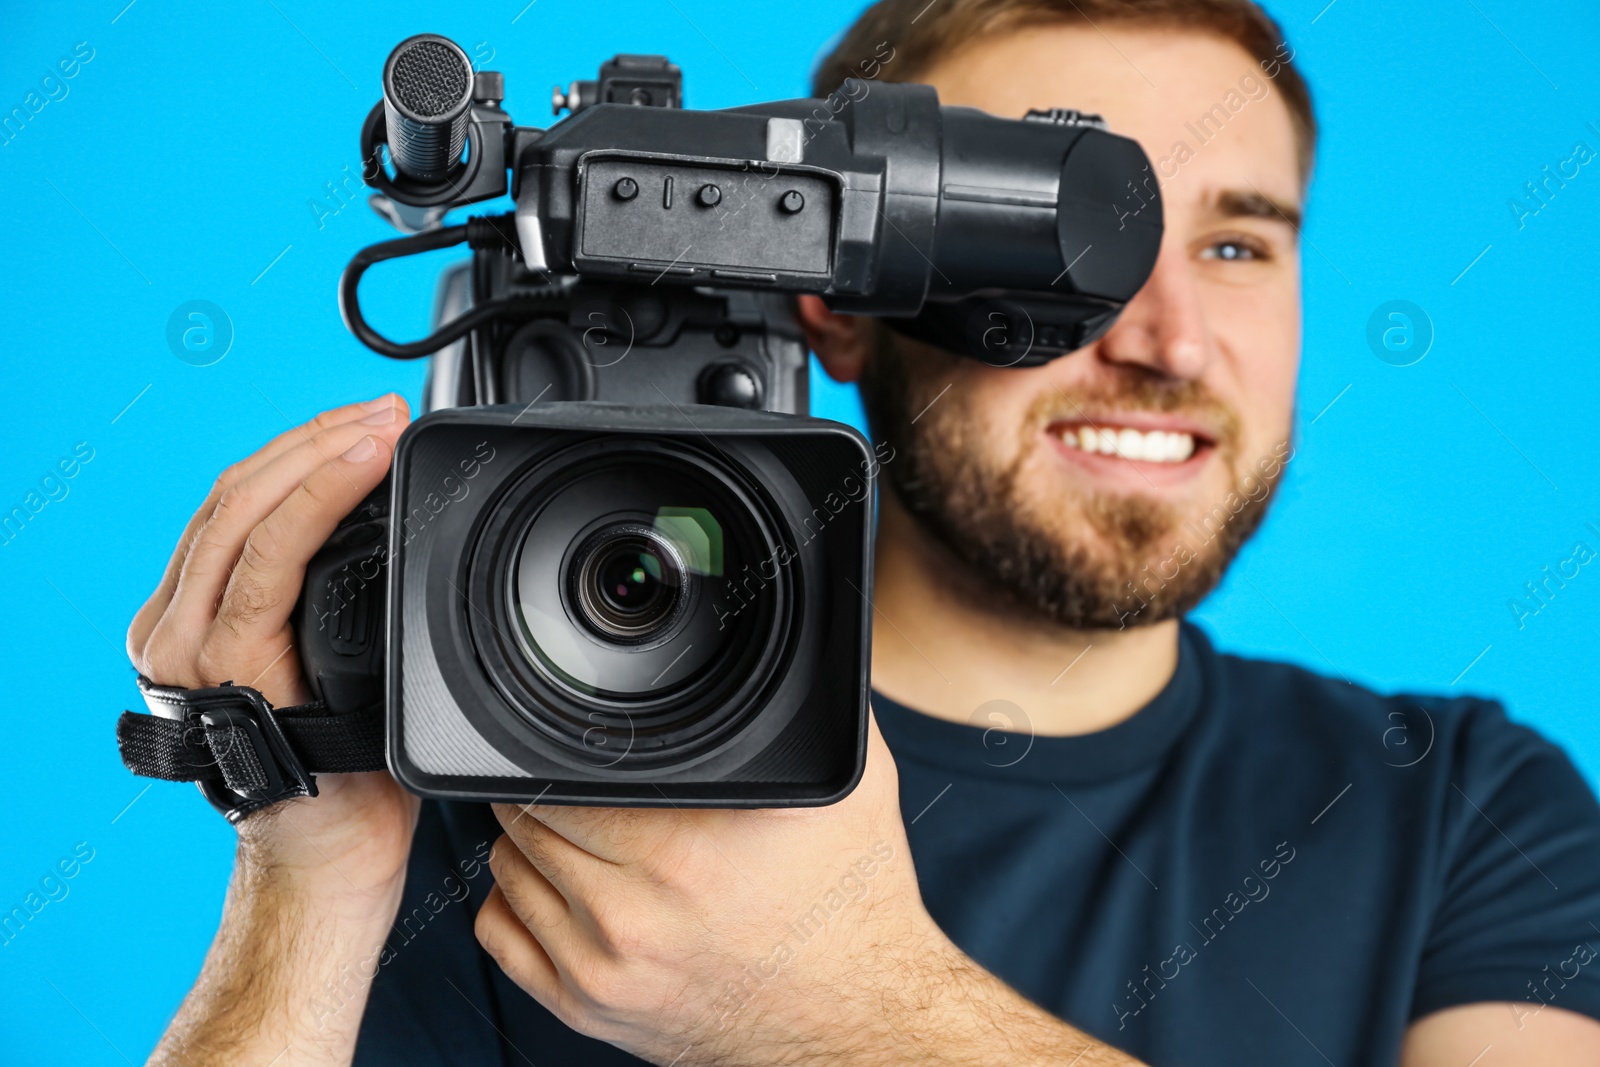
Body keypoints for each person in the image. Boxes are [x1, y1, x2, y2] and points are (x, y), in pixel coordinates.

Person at [126, 1, 1600, 1064]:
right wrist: (303, 881)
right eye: (1080, 256)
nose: (1165, 339)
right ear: (836, 285)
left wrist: (858, 1008)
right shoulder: (501, 759)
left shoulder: (1463, 808)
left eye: (1235, 243)